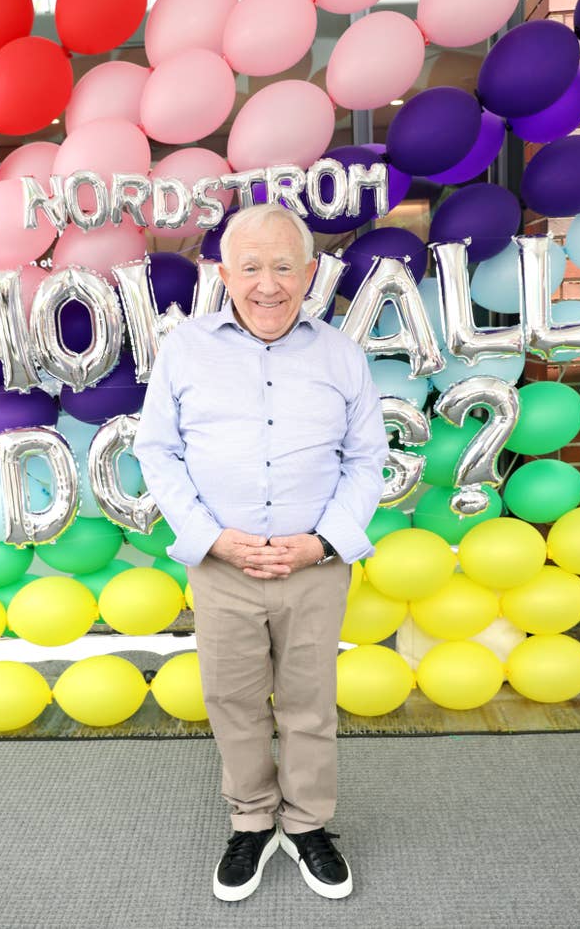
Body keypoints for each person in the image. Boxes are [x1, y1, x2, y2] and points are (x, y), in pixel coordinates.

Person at [133, 203, 387, 903]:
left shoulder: (341, 353)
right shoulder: (186, 348)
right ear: (224, 273)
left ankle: (307, 826)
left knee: (309, 703)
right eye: (251, 267)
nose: (268, 284)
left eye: (283, 267)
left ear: (310, 274)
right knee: (233, 700)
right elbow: (158, 450)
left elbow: (368, 459)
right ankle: (252, 819)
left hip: (316, 567)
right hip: (221, 568)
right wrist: (212, 538)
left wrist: (322, 542)